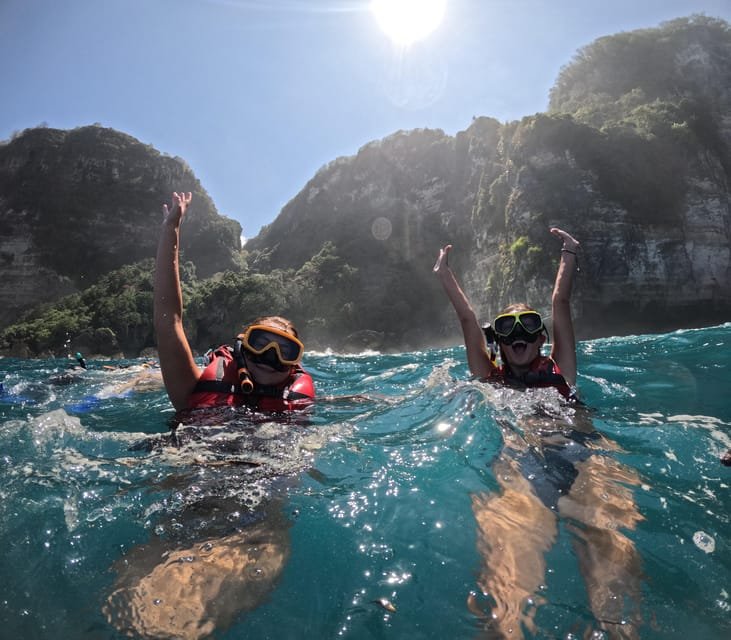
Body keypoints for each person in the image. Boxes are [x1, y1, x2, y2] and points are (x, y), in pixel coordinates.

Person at [434, 228, 644, 639]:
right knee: (504, 590)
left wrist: (570, 254)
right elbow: (467, 319)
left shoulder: (560, 369)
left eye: (528, 326)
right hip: (522, 467)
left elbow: (559, 302)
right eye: (507, 329)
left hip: (586, 457)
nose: (518, 336)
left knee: (612, 567)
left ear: (541, 337)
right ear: (497, 342)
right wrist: (444, 275)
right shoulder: (488, 377)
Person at [153, 191, 315, 414]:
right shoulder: (193, 387)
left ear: (293, 366)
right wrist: (171, 229)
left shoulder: (296, 402)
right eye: (260, 342)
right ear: (243, 347)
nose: (270, 356)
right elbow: (168, 322)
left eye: (285, 351)